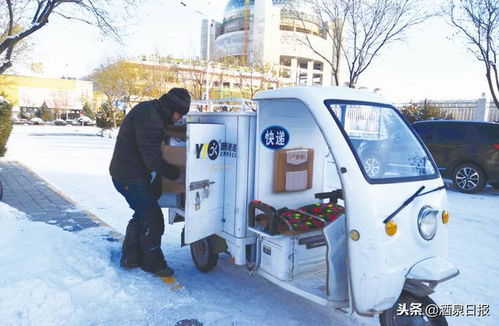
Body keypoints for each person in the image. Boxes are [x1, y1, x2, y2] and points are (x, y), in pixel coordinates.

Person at [109, 87, 190, 277]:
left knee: (142, 215)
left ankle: (131, 257)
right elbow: (152, 159)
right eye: (179, 114)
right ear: (171, 109)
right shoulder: (150, 121)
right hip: (129, 178)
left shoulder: (151, 111)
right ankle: (152, 263)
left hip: (129, 174)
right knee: (153, 219)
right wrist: (177, 175)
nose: (179, 119)